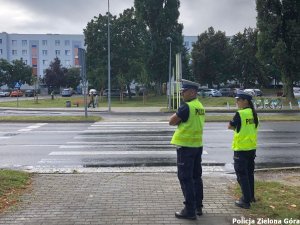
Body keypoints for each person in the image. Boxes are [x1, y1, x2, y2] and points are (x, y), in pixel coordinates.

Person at [169, 79, 205, 220]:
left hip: (185, 147)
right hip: (197, 146)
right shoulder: (199, 106)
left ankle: (189, 210)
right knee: (196, 177)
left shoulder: (186, 107)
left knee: (186, 178)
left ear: (192, 92)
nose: (182, 94)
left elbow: (171, 121)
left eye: (184, 91)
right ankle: (198, 207)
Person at [228, 90, 259, 209]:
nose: (236, 102)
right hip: (251, 148)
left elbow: (230, 126)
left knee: (242, 175)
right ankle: (251, 196)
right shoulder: (254, 114)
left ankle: (245, 201)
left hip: (241, 149)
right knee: (249, 174)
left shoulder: (240, 114)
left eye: (238, 100)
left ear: (245, 101)